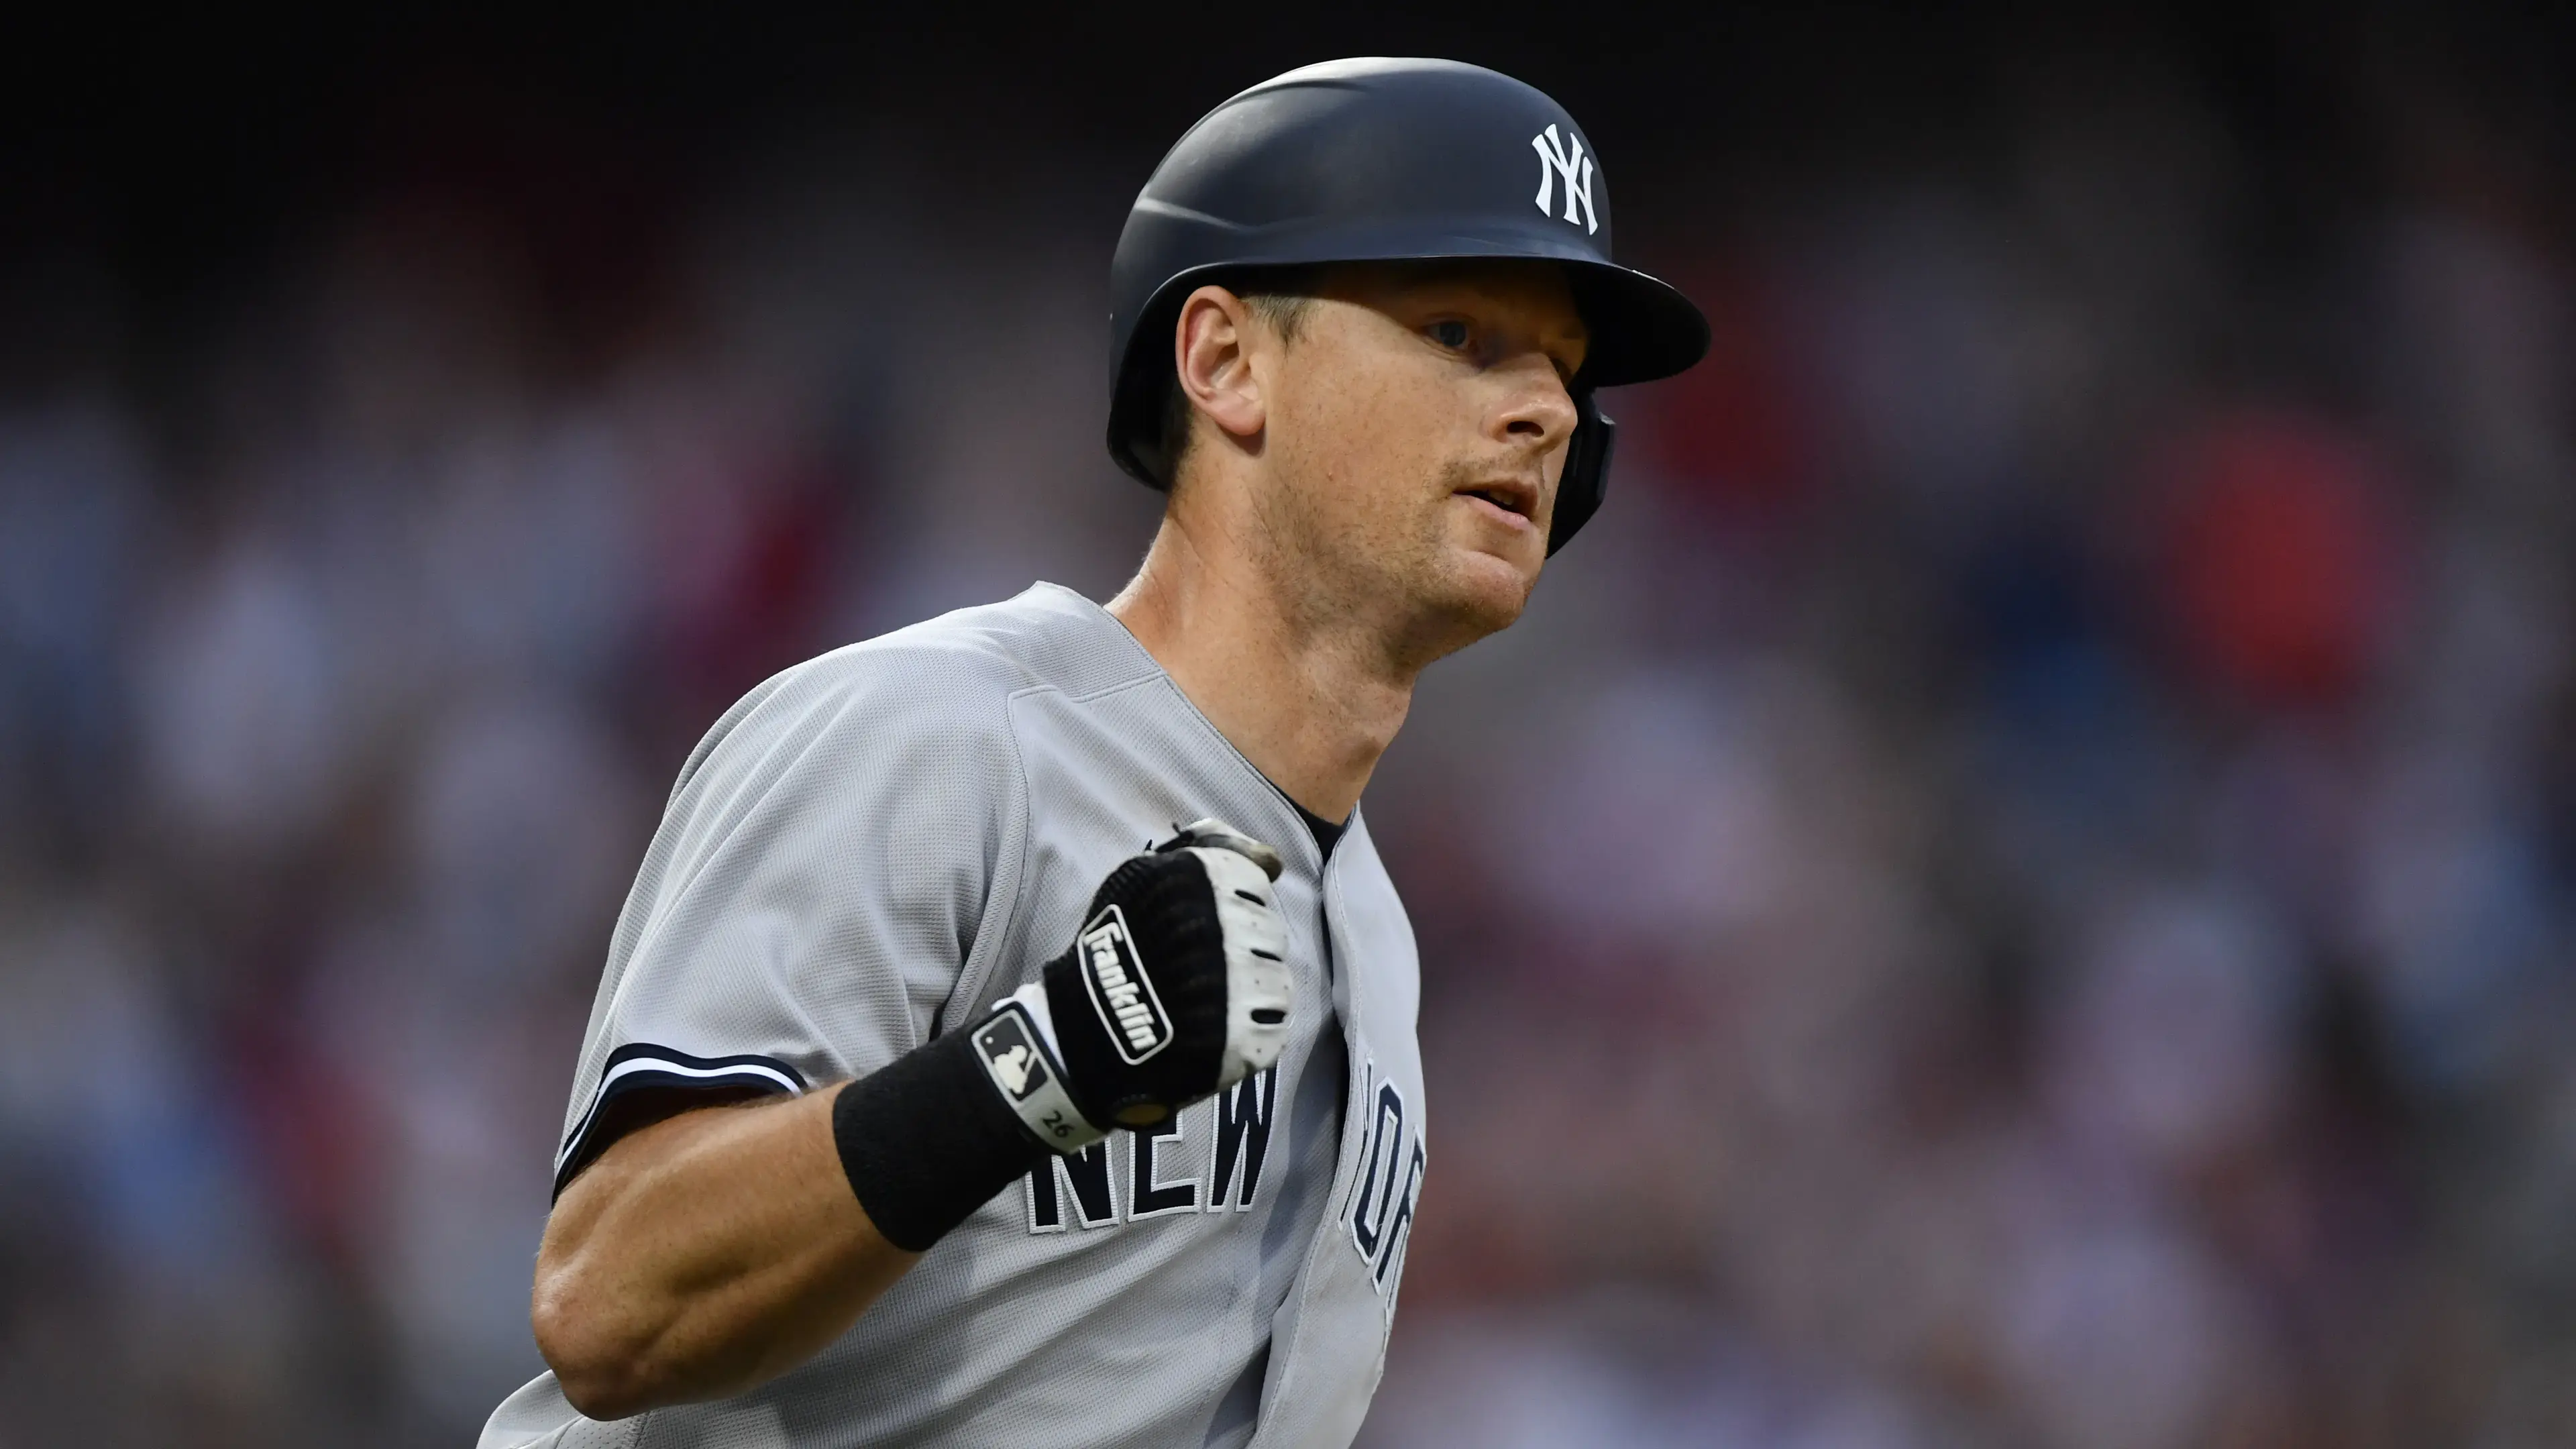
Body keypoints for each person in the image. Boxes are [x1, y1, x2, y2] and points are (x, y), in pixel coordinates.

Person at [478, 56, 1706, 1449]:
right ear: (1226, 360)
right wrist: (1037, 1064)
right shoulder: (936, 733)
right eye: (1459, 332)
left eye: (1565, 366)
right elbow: (610, 1298)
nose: (1546, 410)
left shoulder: (1370, 925)